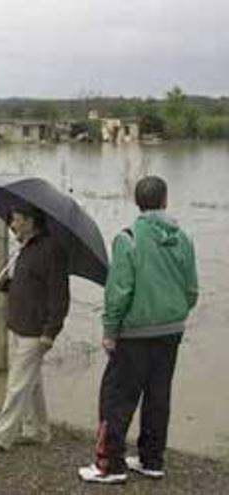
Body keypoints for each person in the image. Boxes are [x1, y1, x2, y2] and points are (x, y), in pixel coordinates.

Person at [78, 176, 198, 484]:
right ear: (165, 200)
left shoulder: (127, 238)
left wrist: (110, 330)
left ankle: (109, 466)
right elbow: (191, 290)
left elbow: (119, 292)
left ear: (136, 202)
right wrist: (173, 311)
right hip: (171, 330)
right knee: (159, 396)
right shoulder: (183, 238)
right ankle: (151, 460)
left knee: (116, 398)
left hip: (134, 333)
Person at [0, 203, 70, 456]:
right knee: (32, 383)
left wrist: (50, 332)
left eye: (16, 220)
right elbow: (26, 285)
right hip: (20, 325)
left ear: (30, 221)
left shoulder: (51, 251)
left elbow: (59, 297)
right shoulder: (25, 248)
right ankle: (38, 431)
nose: (12, 225)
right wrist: (2, 285)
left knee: (17, 385)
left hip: (35, 331)